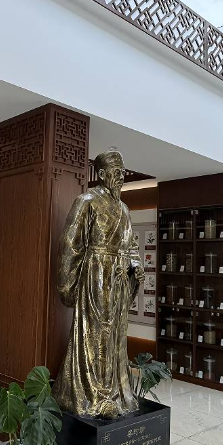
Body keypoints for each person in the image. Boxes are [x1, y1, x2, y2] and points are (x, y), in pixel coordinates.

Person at [53, 149, 144, 418]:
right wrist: (69, 286)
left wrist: (135, 266)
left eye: (123, 172)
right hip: (96, 277)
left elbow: (131, 245)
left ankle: (117, 392)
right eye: (116, 172)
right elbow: (70, 244)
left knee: (116, 334)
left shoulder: (124, 209)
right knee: (98, 332)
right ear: (102, 174)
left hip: (119, 279)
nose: (121, 177)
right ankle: (96, 396)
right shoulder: (87, 201)